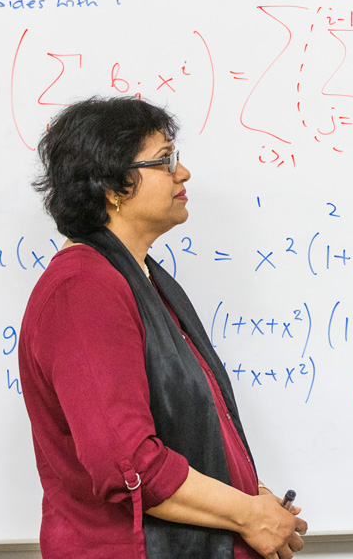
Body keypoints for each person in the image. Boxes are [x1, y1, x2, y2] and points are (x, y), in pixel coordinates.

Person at [19, 97, 307, 559]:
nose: (183, 173)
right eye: (165, 159)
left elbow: (182, 433)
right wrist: (248, 515)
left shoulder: (140, 279)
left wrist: (254, 498)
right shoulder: (84, 289)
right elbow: (127, 463)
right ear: (112, 185)